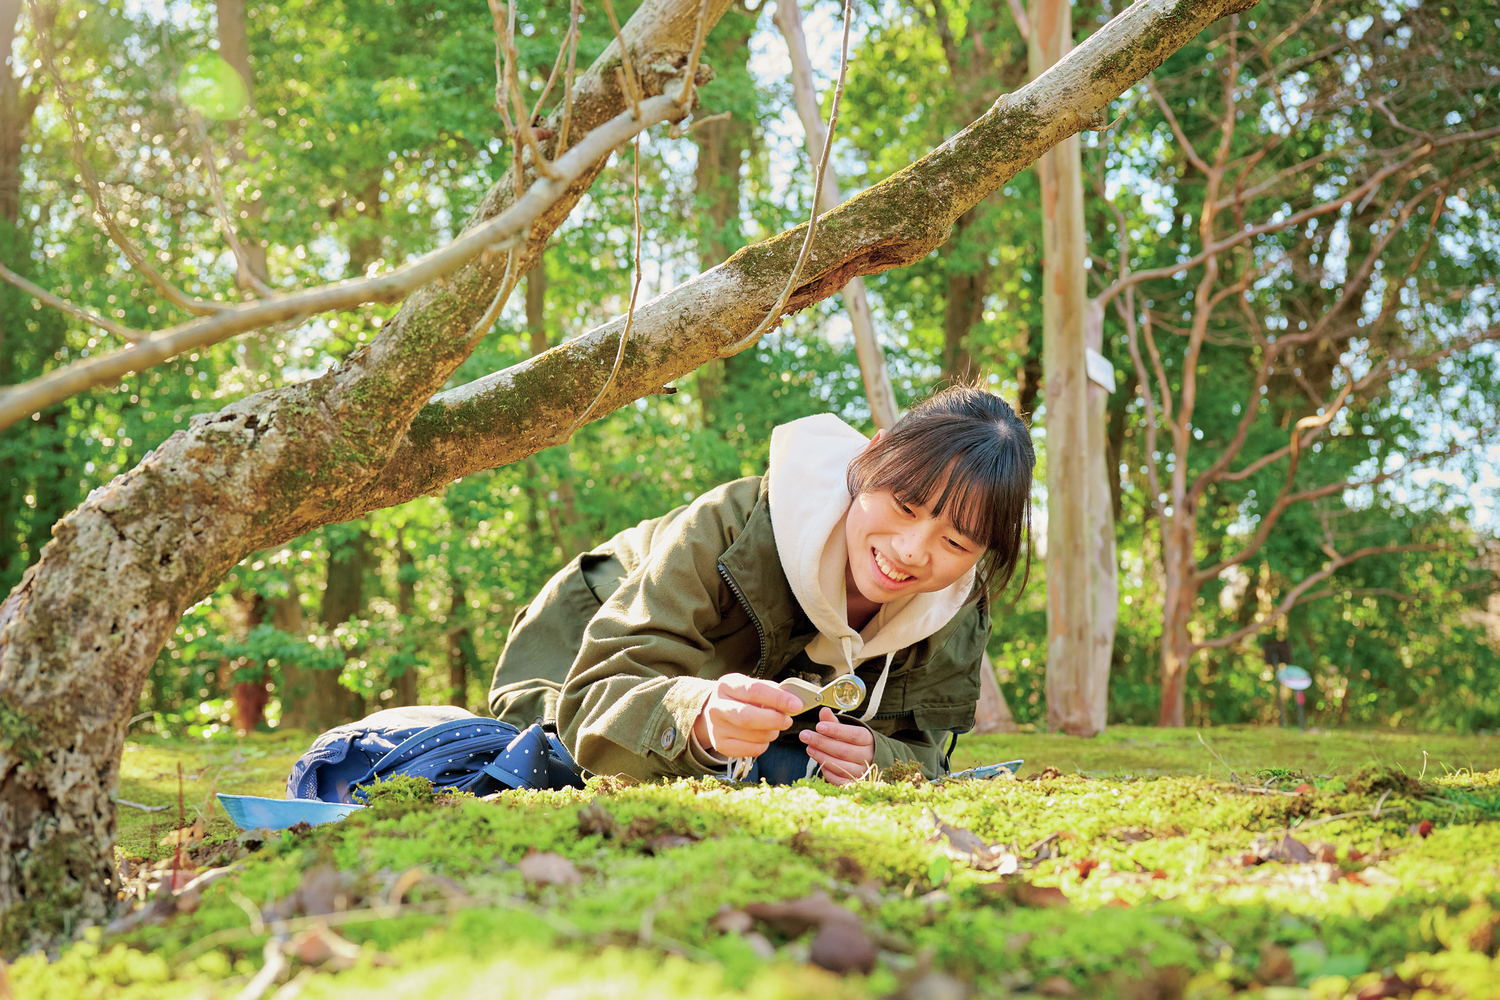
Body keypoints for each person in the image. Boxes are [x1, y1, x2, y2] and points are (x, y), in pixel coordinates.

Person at [488, 383, 1034, 785]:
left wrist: (876, 756)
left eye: (956, 543)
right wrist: (696, 717)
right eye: (905, 505)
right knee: (546, 760)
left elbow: (927, 756)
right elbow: (590, 700)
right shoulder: (733, 524)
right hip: (584, 638)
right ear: (873, 456)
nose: (912, 551)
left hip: (740, 710)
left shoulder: (958, 612)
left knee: (777, 771)